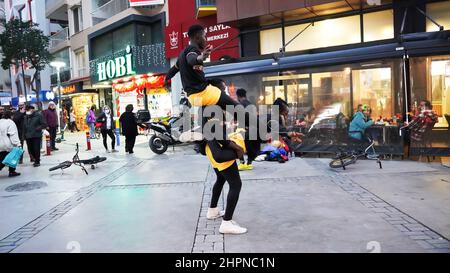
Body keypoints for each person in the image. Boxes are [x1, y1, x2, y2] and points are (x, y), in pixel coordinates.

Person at [201, 118, 247, 234]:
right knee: (236, 185)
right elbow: (221, 136)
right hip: (221, 153)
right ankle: (227, 222)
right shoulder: (214, 107)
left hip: (211, 150)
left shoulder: (205, 109)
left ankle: (212, 211)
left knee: (220, 179)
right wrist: (238, 148)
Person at [236, 88, 260, 171]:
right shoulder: (251, 104)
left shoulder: (240, 105)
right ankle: (249, 163)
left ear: (238, 96)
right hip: (254, 129)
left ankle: (242, 163)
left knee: (239, 145)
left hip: (244, 129)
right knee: (250, 147)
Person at [0, 111, 21, 177]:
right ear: (11, 116)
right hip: (7, 143)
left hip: (0, 144)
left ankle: (12, 171)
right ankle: (12, 171)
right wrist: (17, 144)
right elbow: (13, 134)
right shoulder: (10, 122)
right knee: (13, 157)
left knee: (2, 157)